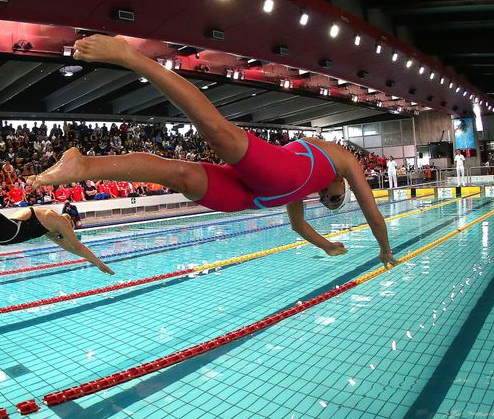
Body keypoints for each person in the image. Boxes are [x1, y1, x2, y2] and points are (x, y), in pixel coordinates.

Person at [29, 35, 397, 268]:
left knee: (182, 175)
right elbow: (374, 214)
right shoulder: (342, 159)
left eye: (327, 204)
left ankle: (86, 164)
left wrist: (327, 244)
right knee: (217, 131)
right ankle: (133, 58)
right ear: (341, 187)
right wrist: (385, 249)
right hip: (277, 175)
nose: (328, 200)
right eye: (334, 200)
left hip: (255, 198)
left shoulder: (305, 189)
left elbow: (298, 224)